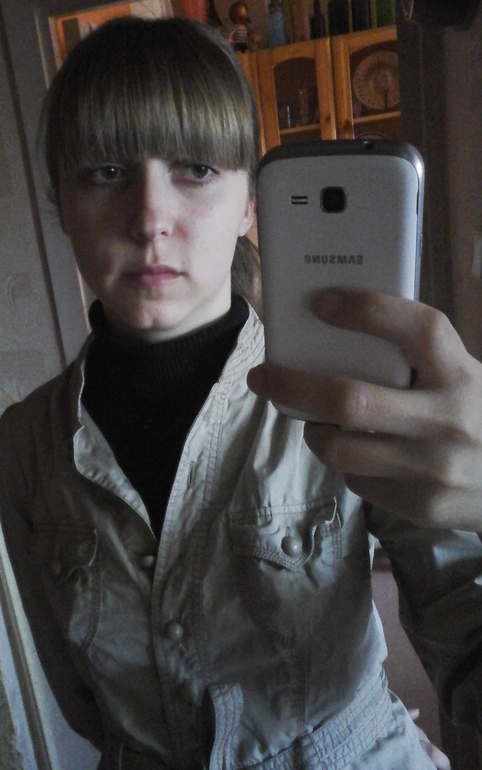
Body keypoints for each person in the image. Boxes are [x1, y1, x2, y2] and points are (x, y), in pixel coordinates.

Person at [0, 15, 479, 770]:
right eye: (105, 171)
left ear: (252, 203)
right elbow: (77, 701)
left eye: (195, 169)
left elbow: (466, 633)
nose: (150, 220)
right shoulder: (24, 448)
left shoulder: (358, 392)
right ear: (61, 200)